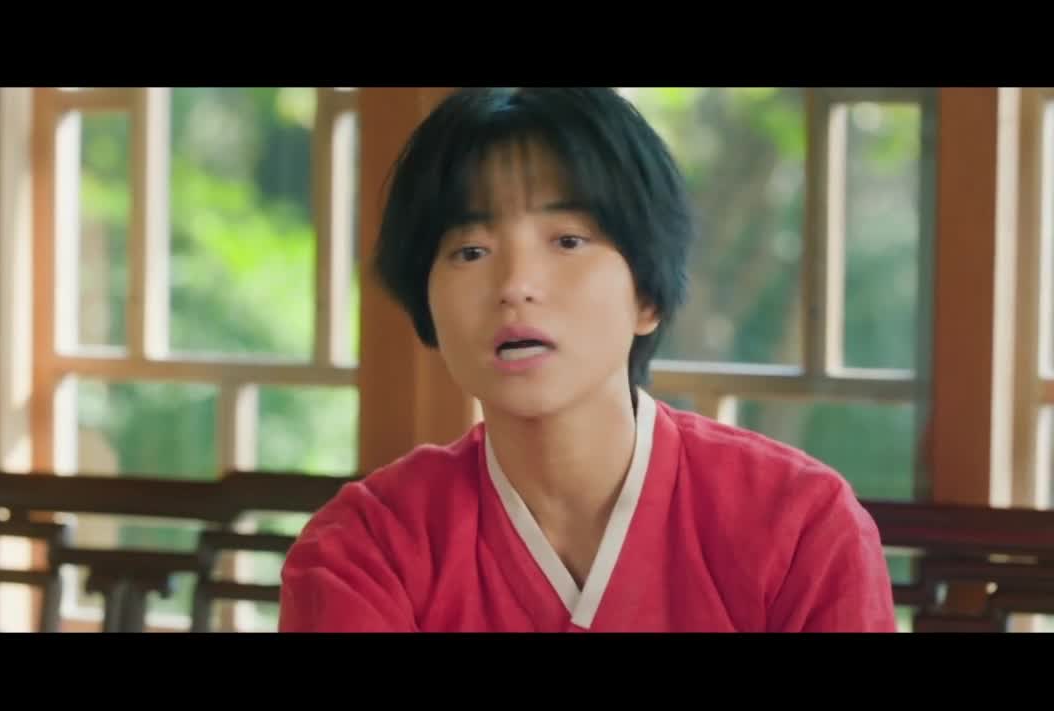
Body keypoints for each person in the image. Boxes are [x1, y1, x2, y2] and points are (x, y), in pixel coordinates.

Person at [277, 88, 897, 632]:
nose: (515, 285)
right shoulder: (365, 548)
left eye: (568, 241)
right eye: (470, 251)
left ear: (647, 297)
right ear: (426, 305)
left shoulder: (801, 526)